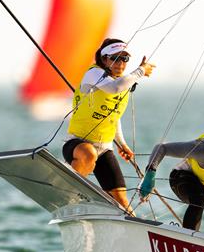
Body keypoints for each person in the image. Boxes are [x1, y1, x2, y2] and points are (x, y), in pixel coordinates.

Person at [62, 38, 156, 213]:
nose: (120, 63)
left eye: (124, 59)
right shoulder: (94, 74)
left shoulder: (123, 83)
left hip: (104, 148)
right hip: (77, 143)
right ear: (104, 59)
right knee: (89, 154)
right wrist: (141, 70)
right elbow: (114, 88)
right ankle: (68, 196)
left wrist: (122, 143)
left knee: (122, 201)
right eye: (115, 58)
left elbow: (114, 117)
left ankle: (135, 230)